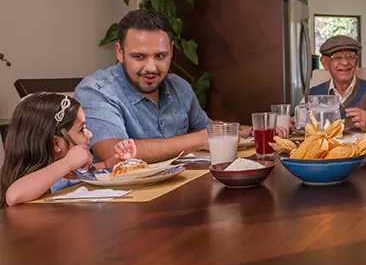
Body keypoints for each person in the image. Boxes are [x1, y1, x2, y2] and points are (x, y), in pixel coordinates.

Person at [75, 9, 250, 163]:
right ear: (120, 52)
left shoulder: (180, 87)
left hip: (181, 191)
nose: (151, 68)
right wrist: (199, 139)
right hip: (121, 197)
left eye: (160, 56)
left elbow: (212, 131)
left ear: (171, 51)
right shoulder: (95, 91)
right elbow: (112, 153)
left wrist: (261, 130)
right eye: (139, 57)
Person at [0, 93, 136, 207]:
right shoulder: (44, 181)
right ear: (56, 143)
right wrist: (67, 163)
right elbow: (13, 196)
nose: (90, 134)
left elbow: (105, 167)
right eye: (82, 129)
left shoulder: (73, 172)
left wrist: (119, 158)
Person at [307, 35, 366, 133]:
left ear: (357, 60)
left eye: (350, 56)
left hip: (362, 148)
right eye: (337, 57)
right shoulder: (313, 94)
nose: (345, 63)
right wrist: (290, 125)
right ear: (325, 63)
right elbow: (300, 127)